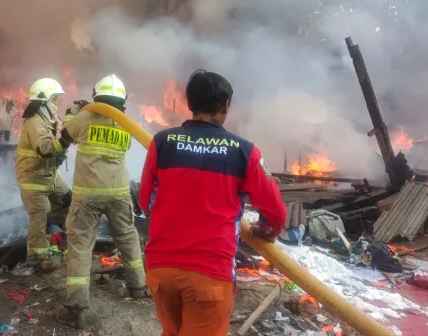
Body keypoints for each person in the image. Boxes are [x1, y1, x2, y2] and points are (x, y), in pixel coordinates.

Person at [139, 69, 287, 336]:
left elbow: (145, 201)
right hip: (209, 275)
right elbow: (275, 212)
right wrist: (263, 231)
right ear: (226, 106)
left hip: (161, 271)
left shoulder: (162, 142)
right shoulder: (245, 151)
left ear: (189, 103)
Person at [55, 74, 147, 328]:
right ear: (122, 100)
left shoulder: (83, 118)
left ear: (96, 96)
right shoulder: (127, 124)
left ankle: (75, 308)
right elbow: (125, 147)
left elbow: (64, 137)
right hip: (118, 192)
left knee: (81, 246)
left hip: (88, 194)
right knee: (128, 237)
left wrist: (74, 111)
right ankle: (138, 286)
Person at [15, 77, 72, 273]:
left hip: (48, 172)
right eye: (55, 98)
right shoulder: (35, 121)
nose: (58, 103)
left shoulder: (48, 117)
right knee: (41, 216)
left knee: (66, 198)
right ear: (44, 100)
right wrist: (66, 138)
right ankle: (38, 258)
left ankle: (57, 232)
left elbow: (61, 137)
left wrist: (71, 125)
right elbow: (46, 149)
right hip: (33, 177)